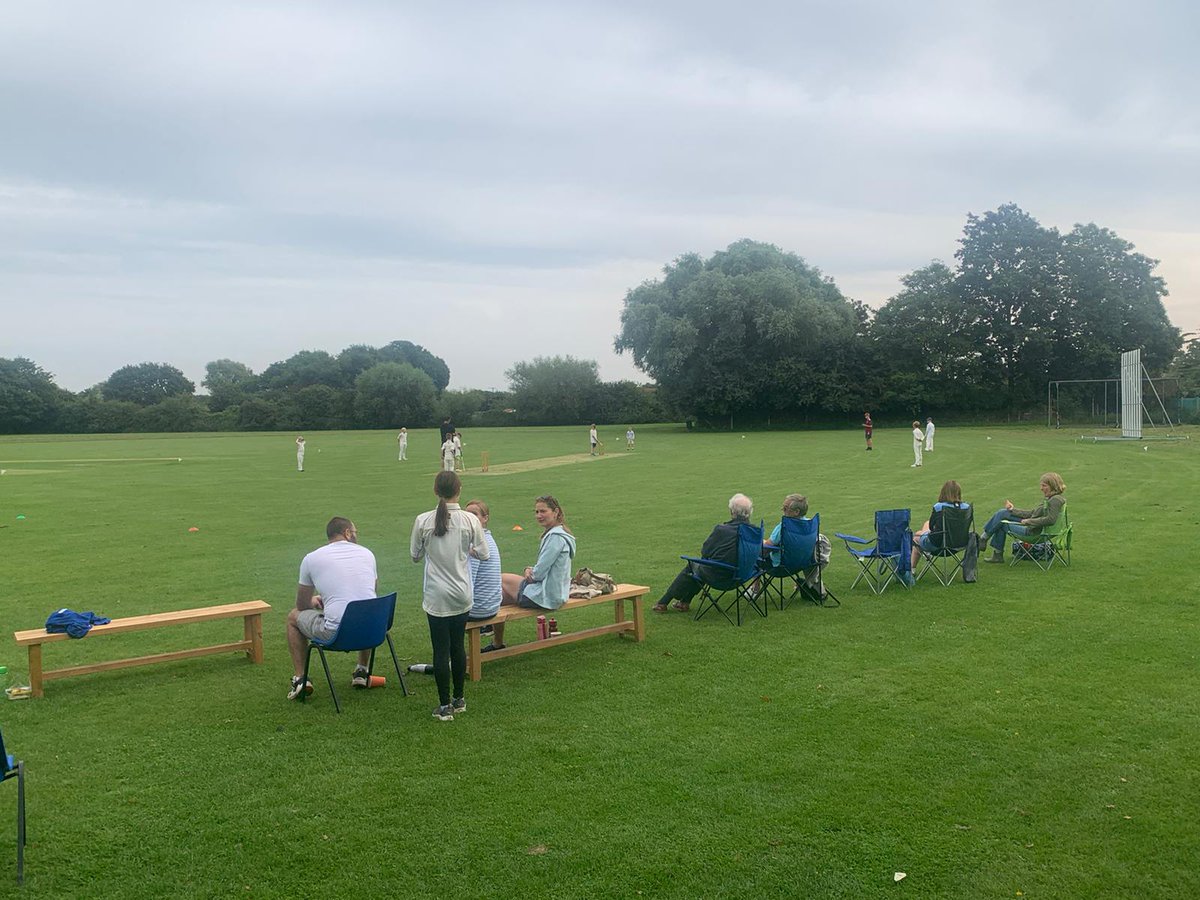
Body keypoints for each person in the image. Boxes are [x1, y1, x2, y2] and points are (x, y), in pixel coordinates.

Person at [411, 471, 488, 721]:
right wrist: (468, 551)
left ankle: (444, 707)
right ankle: (459, 699)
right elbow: (484, 554)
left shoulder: (423, 520)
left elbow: (415, 555)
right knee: (457, 646)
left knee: (440, 650)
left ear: (435, 491)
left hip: (436, 595)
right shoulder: (470, 520)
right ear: (459, 489)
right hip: (461, 593)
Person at [285, 517, 377, 700]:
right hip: (373, 630)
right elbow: (369, 594)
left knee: (292, 617)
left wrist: (315, 601)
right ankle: (362, 671)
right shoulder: (368, 554)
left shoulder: (312, 558)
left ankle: (301, 679)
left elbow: (302, 606)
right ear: (347, 533)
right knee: (364, 609)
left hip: (337, 634)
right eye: (356, 532)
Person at [484, 495, 577, 651]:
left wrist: (528, 570)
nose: (539, 515)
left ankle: (487, 625)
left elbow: (538, 574)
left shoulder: (555, 538)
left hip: (547, 597)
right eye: (536, 512)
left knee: (499, 580)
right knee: (501, 593)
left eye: (543, 511)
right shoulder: (561, 535)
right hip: (556, 592)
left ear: (556, 512)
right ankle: (495, 639)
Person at [652, 493, 753, 613]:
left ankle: (663, 602)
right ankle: (684, 602)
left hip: (720, 577)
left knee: (693, 565)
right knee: (703, 567)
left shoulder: (722, 530)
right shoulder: (754, 532)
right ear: (750, 512)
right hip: (743, 576)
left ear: (732, 512)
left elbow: (705, 552)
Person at [980, 472, 1067, 564]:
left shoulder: (1055, 500)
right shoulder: (1052, 498)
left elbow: (1051, 520)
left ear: (1053, 486)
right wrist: (1012, 510)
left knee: (1001, 523)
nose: (1041, 489)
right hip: (1037, 528)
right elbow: (1032, 513)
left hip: (1034, 532)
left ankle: (989, 545)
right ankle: (986, 541)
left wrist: (1029, 521)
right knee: (1003, 513)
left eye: (1044, 486)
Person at [763, 493, 830, 599]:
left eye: (785, 508)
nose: (782, 510)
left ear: (796, 512)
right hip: (803, 564)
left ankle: (754, 590)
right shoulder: (810, 525)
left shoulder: (783, 527)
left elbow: (767, 546)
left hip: (781, 567)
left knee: (756, 553)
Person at [910, 480, 969, 571]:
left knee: (917, 536)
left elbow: (931, 526)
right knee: (926, 523)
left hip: (938, 545)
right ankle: (925, 552)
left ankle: (912, 569)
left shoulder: (939, 507)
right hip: (959, 544)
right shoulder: (966, 507)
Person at [464, 498, 502, 625]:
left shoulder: (476, 543)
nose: (469, 518)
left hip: (478, 610)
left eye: (474, 514)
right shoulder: (488, 537)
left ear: (485, 518)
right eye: (466, 514)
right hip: (492, 606)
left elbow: (469, 581)